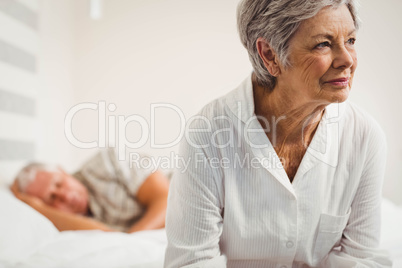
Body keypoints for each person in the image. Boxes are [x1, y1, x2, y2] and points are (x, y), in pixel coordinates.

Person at [164, 0, 392, 267]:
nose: (347, 60)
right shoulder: (207, 134)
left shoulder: (365, 137)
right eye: (324, 44)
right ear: (270, 55)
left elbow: (360, 258)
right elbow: (192, 262)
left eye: (351, 40)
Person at [11, 148, 170, 233]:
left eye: (59, 184)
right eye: (52, 198)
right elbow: (107, 235)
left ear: (63, 171)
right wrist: (38, 209)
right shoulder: (68, 224)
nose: (65, 196)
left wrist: (133, 239)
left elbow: (167, 199)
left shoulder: (107, 162)